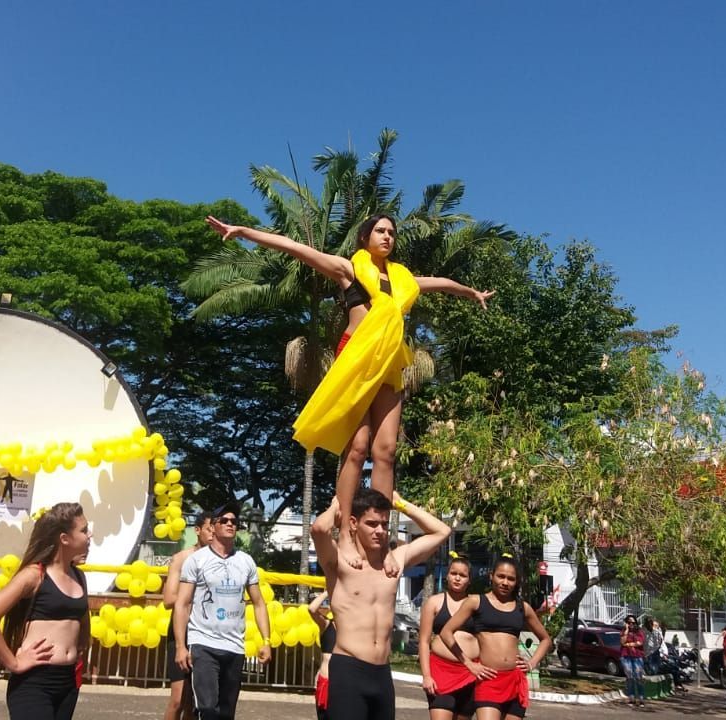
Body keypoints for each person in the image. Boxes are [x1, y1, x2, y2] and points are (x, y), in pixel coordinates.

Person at [206, 215, 492, 572]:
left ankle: (380, 532)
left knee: (385, 451)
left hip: (389, 361)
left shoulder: (403, 279)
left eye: (392, 232)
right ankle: (344, 533)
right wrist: (243, 231)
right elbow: (297, 249)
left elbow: (444, 283)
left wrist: (471, 292)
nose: (388, 236)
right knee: (356, 449)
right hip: (356, 358)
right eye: (380, 231)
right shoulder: (348, 269)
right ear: (365, 237)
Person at [310, 488, 453, 720]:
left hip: (382, 672)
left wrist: (402, 504)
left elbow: (442, 531)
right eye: (372, 524)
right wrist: (337, 507)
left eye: (384, 525)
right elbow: (318, 529)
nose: (380, 531)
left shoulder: (394, 563)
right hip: (349, 668)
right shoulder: (340, 562)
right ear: (354, 523)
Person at [0, 502, 92, 720]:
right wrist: (14, 663)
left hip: (68, 682)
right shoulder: (34, 576)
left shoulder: (79, 577)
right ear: (64, 539)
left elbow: (82, 622)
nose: (89, 534)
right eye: (84, 530)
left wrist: (79, 652)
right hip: (35, 683)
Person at [173, 502, 271, 720]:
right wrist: (181, 646)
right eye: (224, 521)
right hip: (204, 643)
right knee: (207, 710)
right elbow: (182, 603)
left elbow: (258, 603)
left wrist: (266, 640)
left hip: (235, 646)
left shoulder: (246, 561)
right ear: (213, 526)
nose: (230, 524)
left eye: (234, 521)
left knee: (226, 714)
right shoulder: (196, 561)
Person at [438, 555, 553, 720]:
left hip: (514, 681)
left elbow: (546, 639)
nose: (505, 582)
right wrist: (468, 663)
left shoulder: (523, 607)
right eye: (501, 576)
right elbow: (446, 632)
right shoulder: (476, 602)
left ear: (516, 581)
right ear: (491, 576)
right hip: (488, 680)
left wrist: (531, 663)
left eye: (511, 579)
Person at [162, 511, 215, 720]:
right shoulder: (182, 558)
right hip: (181, 631)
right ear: (198, 530)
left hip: (206, 632)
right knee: (178, 699)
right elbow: (168, 599)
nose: (212, 533)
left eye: (215, 529)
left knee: (196, 702)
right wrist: (191, 599)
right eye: (209, 528)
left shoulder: (219, 560)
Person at [419, 555, 481, 720]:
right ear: (447, 575)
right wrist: (426, 675)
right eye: (454, 573)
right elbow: (424, 641)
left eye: (463, 575)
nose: (458, 578)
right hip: (440, 673)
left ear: (469, 580)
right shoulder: (434, 602)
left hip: (470, 674)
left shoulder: (476, 604)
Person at [307, 591, 336, 720]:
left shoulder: (351, 629)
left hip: (345, 681)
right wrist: (328, 591)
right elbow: (312, 609)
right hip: (326, 680)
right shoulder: (326, 624)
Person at [619, 614, 646, 707]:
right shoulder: (624, 631)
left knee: (638, 677)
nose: (631, 624)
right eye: (629, 622)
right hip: (626, 656)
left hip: (637, 656)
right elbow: (622, 642)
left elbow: (639, 643)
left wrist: (628, 645)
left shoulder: (639, 631)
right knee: (630, 677)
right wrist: (626, 630)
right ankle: (631, 698)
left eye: (633, 622)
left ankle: (641, 698)